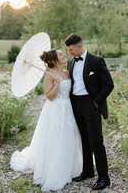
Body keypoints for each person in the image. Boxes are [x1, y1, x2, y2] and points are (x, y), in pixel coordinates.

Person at [10, 49, 82, 192]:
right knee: (54, 138)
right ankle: (52, 168)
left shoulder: (67, 72)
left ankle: (69, 165)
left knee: (68, 136)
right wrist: (57, 84)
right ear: (55, 60)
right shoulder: (49, 76)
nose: (64, 55)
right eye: (61, 54)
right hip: (54, 110)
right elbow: (50, 96)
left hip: (67, 108)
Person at [65, 33, 114, 191]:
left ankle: (104, 178)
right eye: (68, 50)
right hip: (76, 105)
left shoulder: (96, 61)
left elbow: (108, 85)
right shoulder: (71, 62)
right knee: (84, 140)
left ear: (80, 46)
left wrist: (95, 103)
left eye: (71, 49)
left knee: (96, 142)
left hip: (91, 104)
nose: (69, 53)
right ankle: (87, 171)